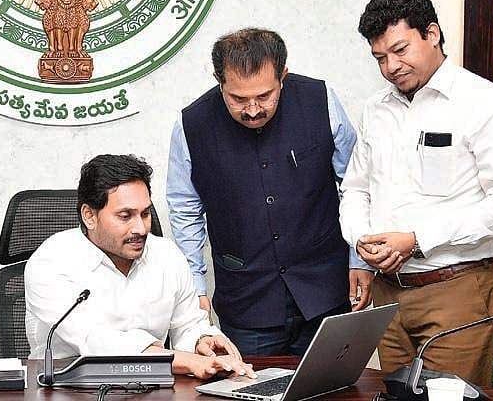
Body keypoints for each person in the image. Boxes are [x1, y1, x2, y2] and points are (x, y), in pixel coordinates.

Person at [339, 0, 493, 386]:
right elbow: (356, 189)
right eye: (380, 57)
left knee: (449, 397)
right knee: (392, 395)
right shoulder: (375, 109)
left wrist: (417, 240)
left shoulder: (484, 104)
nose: (391, 66)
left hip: (457, 290)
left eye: (400, 50)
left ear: (432, 33)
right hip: (387, 296)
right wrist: (361, 238)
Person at [167, 28, 374, 356]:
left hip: (325, 291)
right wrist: (195, 289)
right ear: (219, 81)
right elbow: (184, 208)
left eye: (264, 96)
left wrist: (360, 258)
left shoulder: (320, 101)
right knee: (250, 383)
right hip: (247, 302)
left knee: (332, 384)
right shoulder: (192, 124)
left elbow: (356, 184)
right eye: (238, 99)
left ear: (283, 77)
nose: (252, 110)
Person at [25, 154, 255, 380]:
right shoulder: (51, 262)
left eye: (145, 214)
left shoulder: (167, 255)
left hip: (153, 387)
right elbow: (97, 342)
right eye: (125, 216)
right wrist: (189, 361)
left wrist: (201, 340)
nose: (141, 228)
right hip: (66, 387)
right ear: (89, 216)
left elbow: (188, 323)